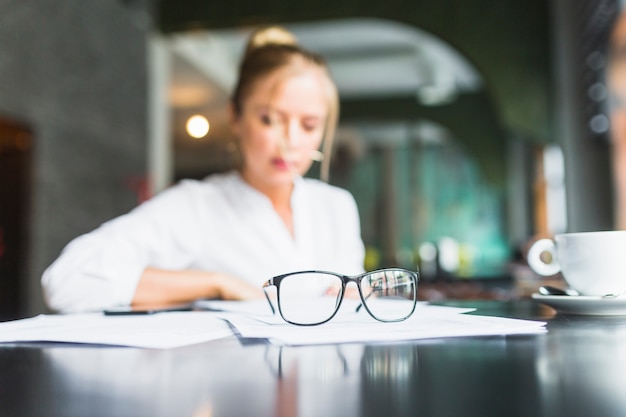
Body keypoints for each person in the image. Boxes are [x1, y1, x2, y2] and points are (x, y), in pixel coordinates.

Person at [42, 26, 365, 313]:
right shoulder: (197, 206)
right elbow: (67, 280)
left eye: (309, 125)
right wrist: (215, 283)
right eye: (270, 120)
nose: (290, 142)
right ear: (235, 117)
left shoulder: (337, 207)